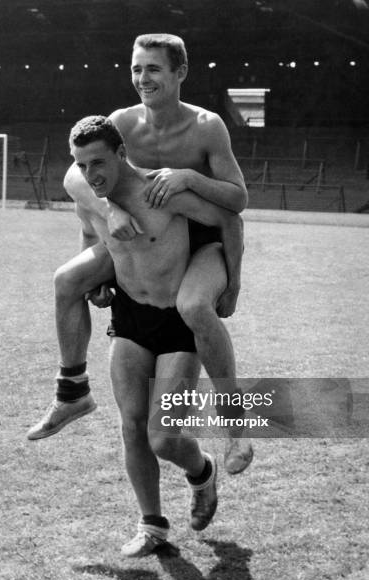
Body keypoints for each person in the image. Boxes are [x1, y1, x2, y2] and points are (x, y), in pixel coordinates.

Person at [27, 33, 252, 475]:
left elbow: (237, 201)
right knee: (68, 281)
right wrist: (107, 220)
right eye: (135, 69)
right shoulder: (122, 123)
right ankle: (72, 391)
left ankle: (235, 431)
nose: (142, 78)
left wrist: (188, 177)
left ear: (180, 72)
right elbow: (80, 182)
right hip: (139, 237)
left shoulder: (206, 126)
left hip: (203, 238)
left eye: (152, 69)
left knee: (192, 305)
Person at [68, 114, 245, 556]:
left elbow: (231, 219)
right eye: (83, 165)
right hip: (130, 316)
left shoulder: (160, 191)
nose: (92, 175)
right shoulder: (93, 195)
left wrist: (233, 283)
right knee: (131, 426)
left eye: (98, 163)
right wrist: (99, 281)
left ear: (122, 154)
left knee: (163, 436)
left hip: (176, 322)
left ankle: (202, 473)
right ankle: (152, 526)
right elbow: (90, 233)